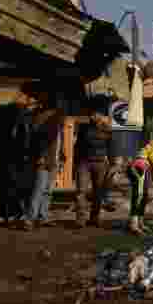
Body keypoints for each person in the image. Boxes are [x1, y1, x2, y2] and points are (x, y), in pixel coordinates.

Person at [21, 85, 65, 231]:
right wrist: (40, 156)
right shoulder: (41, 116)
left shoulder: (57, 115)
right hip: (44, 158)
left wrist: (62, 153)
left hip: (54, 158)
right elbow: (39, 139)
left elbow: (60, 136)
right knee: (39, 189)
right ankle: (29, 219)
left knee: (48, 189)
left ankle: (43, 216)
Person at [73, 96, 113, 228]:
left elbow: (112, 146)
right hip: (84, 162)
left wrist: (113, 164)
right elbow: (77, 145)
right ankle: (81, 219)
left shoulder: (107, 128)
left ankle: (94, 217)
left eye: (95, 114)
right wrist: (75, 162)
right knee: (81, 191)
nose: (92, 116)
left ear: (101, 115)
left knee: (98, 192)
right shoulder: (84, 127)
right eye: (91, 114)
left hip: (101, 162)